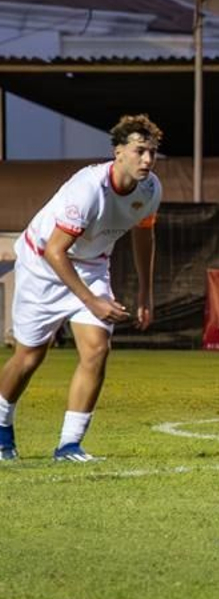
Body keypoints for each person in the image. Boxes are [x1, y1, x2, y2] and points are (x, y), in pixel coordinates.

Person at [0, 114, 162, 462]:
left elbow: (144, 233)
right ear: (118, 152)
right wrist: (93, 302)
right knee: (29, 357)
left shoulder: (150, 189)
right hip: (42, 265)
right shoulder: (89, 189)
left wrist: (146, 292)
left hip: (90, 267)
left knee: (97, 350)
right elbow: (55, 251)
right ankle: (1, 431)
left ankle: (69, 446)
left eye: (152, 152)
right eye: (139, 151)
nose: (147, 160)